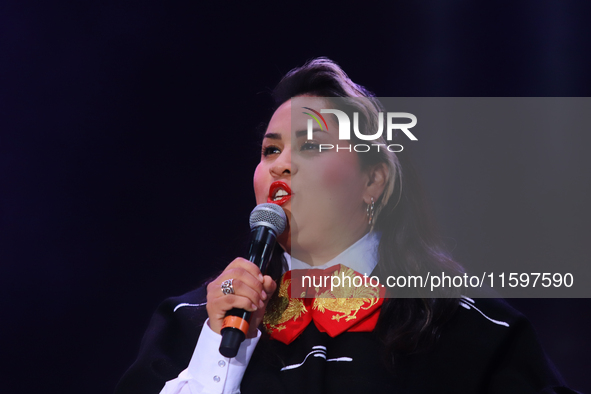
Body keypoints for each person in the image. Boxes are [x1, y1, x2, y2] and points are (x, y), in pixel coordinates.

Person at [115, 58, 575, 394]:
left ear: (373, 180)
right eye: (270, 151)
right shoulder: (189, 322)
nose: (281, 166)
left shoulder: (462, 323)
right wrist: (217, 350)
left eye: (311, 145)